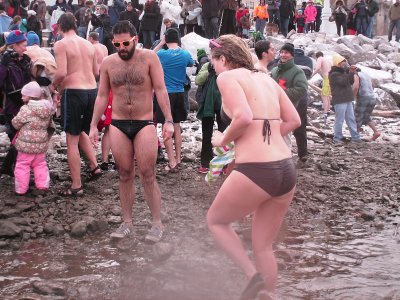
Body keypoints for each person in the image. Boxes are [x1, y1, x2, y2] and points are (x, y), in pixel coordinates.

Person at [206, 34, 300, 298]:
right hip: (285, 169)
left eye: (214, 62)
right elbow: (293, 120)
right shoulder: (265, 78)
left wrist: (221, 140)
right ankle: (266, 295)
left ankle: (252, 276)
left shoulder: (227, 77)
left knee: (216, 221)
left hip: (257, 170)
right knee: (263, 247)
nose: (213, 68)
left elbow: (243, 117)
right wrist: (264, 136)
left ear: (223, 58)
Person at [88, 21, 174, 242]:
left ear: (135, 39)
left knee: (148, 174)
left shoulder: (149, 58)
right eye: (117, 44)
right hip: (118, 124)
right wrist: (93, 126)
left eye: (125, 43)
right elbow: (101, 95)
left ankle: (156, 223)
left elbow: (161, 89)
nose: (122, 48)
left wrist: (169, 121)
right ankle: (127, 222)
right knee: (124, 174)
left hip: (144, 122)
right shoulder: (108, 62)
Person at [53, 12, 102, 196]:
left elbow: (62, 72)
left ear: (59, 26)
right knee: (82, 130)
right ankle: (94, 166)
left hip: (73, 92)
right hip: (91, 91)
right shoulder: (89, 44)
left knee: (71, 140)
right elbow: (96, 72)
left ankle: (76, 185)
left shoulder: (61, 44)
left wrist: (52, 86)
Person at [154, 28, 194, 172]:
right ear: (178, 39)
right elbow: (191, 63)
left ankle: (171, 162)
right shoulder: (184, 53)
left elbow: (150, 55)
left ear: (166, 38)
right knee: (176, 127)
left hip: (166, 94)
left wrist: (161, 43)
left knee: (166, 125)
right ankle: (178, 159)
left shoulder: (162, 54)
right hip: (180, 93)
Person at [0, 30, 32, 177]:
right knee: (18, 138)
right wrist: (3, 65)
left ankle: (8, 167)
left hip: (24, 103)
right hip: (11, 105)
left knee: (20, 137)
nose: (26, 48)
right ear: (13, 46)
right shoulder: (5, 62)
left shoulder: (25, 60)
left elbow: (29, 81)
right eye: (23, 45)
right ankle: (16, 172)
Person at [12, 81, 53, 195]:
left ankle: (21, 189)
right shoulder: (47, 108)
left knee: (22, 165)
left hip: (26, 146)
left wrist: (13, 120)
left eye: (23, 95)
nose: (21, 97)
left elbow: (16, 124)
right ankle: (42, 185)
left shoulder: (25, 109)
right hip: (41, 144)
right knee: (40, 164)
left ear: (30, 96)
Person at [271, 43, 308, 162]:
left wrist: (281, 94)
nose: (283, 55)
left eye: (286, 52)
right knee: (274, 136)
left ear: (292, 55)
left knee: (286, 136)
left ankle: (286, 163)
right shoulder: (274, 70)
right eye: (281, 52)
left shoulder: (297, 71)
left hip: (288, 109)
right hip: (273, 110)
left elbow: (302, 89)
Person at [195, 60, 226, 174]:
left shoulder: (228, 65)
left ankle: (221, 164)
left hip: (220, 105)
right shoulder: (207, 65)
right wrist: (208, 71)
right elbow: (198, 80)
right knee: (208, 134)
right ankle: (206, 163)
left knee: (223, 134)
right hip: (211, 104)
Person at [328, 54, 361, 144]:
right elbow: (343, 82)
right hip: (340, 99)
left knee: (351, 119)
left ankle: (355, 137)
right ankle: (337, 138)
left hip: (347, 99)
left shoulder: (342, 72)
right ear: (337, 63)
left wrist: (352, 71)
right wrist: (350, 72)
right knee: (340, 120)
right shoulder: (334, 74)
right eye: (342, 62)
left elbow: (350, 81)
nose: (344, 64)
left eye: (344, 62)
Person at [353, 70, 380, 141]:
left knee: (357, 116)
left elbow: (356, 86)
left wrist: (353, 97)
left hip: (363, 97)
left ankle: (356, 137)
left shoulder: (356, 74)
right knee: (366, 116)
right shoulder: (366, 74)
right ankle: (376, 132)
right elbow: (373, 85)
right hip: (372, 97)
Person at [312, 51, 332, 122]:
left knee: (324, 95)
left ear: (317, 56)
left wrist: (312, 75)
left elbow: (317, 68)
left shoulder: (320, 59)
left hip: (326, 79)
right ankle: (328, 110)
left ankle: (325, 113)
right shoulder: (326, 60)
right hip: (330, 78)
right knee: (327, 95)